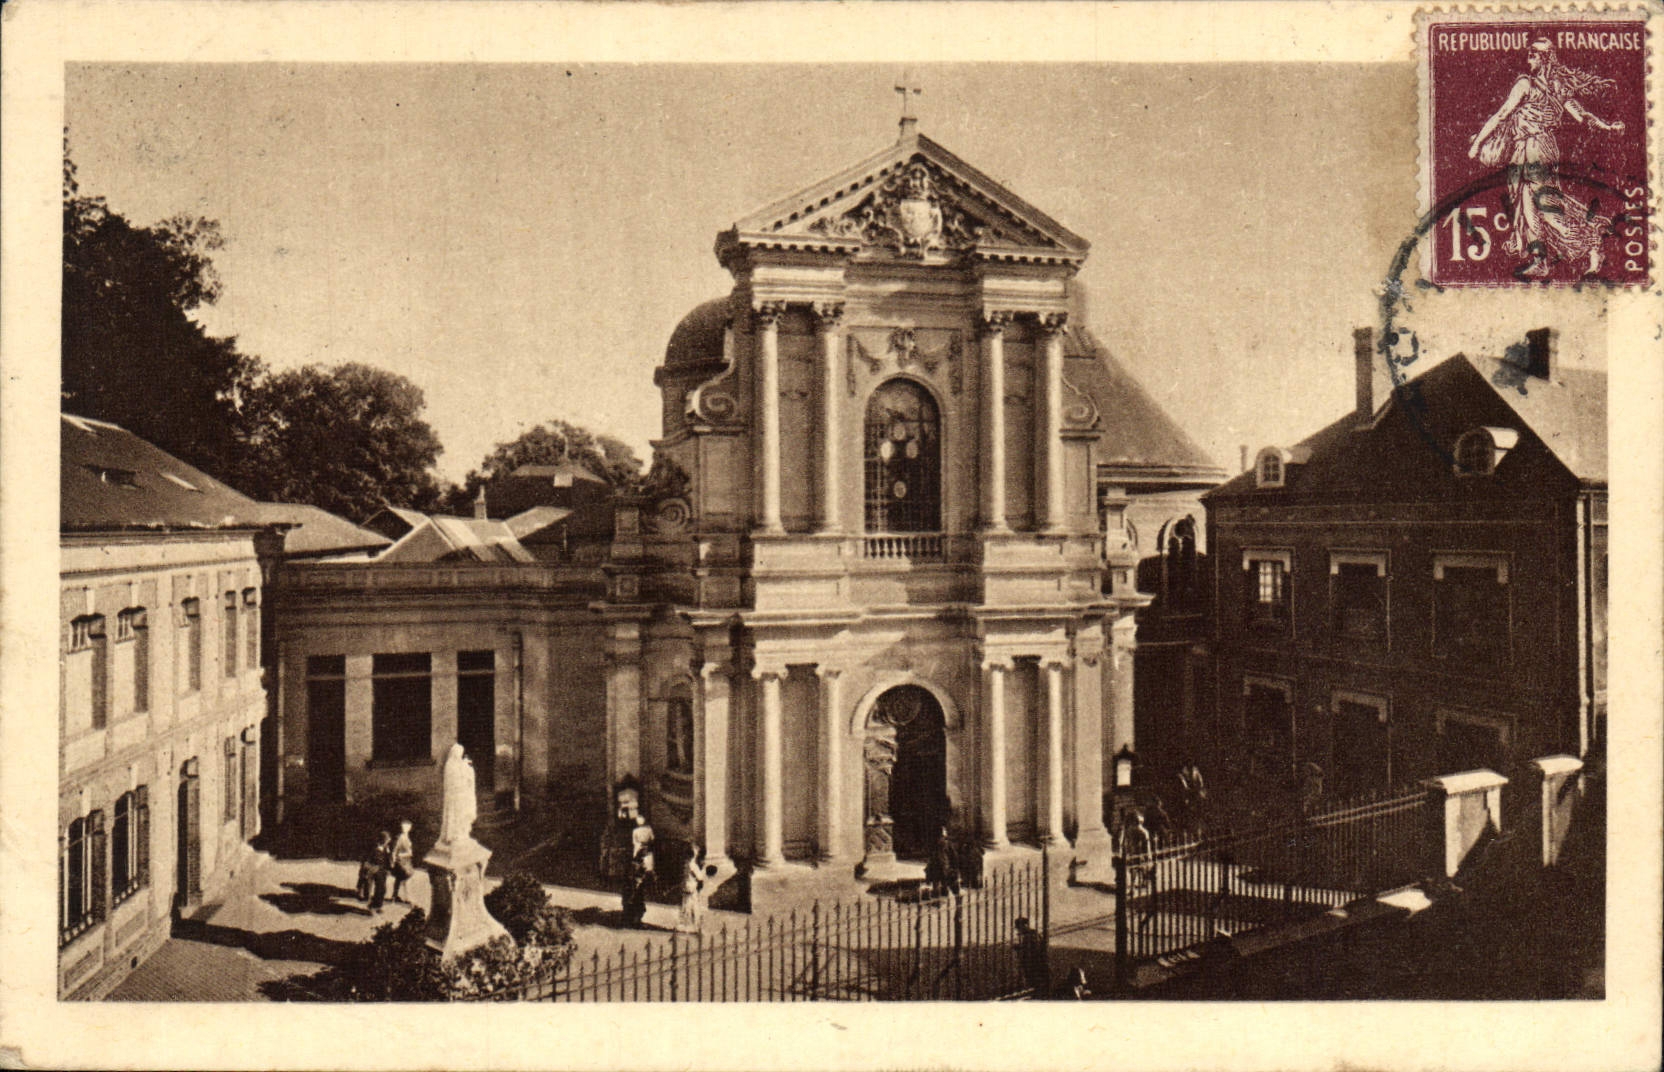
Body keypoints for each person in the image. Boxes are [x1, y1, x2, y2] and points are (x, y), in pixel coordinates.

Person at [1467, 37, 1627, 277]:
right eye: (1529, 54)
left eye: (1533, 54)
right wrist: (1607, 127)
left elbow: (1501, 115)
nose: (1529, 58)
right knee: (1525, 204)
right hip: (1528, 149)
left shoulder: (1526, 84)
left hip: (1536, 148)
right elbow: (1581, 115)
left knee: (1545, 204)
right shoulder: (1555, 88)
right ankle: (1539, 258)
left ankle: (1592, 242)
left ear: (1545, 59)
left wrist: (1478, 143)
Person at [622, 815, 655, 928]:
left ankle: (632, 919)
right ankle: (635, 920)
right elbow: (652, 839)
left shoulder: (635, 831)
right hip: (637, 883)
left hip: (638, 849)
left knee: (633, 901)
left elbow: (634, 842)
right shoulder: (649, 829)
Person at [676, 844, 711, 933]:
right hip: (691, 887)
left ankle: (684, 924)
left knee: (685, 905)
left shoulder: (686, 864)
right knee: (693, 906)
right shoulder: (693, 865)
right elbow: (700, 877)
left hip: (686, 886)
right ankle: (692, 925)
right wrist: (703, 869)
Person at [1013, 917, 1049, 997]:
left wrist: (1020, 948)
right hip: (1036, 963)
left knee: (1034, 982)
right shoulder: (1033, 934)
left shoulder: (1030, 936)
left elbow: (1031, 950)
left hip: (1034, 964)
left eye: (1019, 928)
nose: (1018, 930)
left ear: (1024, 926)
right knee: (1035, 983)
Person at [924, 827, 959, 898]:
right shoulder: (947, 844)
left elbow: (930, 855)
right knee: (943, 883)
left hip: (936, 867)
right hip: (943, 867)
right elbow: (954, 856)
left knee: (937, 883)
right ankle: (942, 897)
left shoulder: (935, 843)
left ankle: (937, 897)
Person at [389, 819, 415, 904]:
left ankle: (395, 895)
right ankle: (407, 898)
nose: (405, 828)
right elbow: (409, 853)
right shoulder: (403, 838)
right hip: (403, 862)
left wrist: (394, 859)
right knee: (406, 878)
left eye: (407, 827)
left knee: (399, 878)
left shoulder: (400, 837)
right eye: (404, 827)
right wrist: (398, 856)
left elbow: (394, 850)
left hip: (400, 862)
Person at [367, 830, 393, 913]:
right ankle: (374, 905)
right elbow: (370, 860)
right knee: (379, 888)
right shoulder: (376, 849)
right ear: (383, 840)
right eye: (387, 840)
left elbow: (388, 861)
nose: (388, 842)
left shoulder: (386, 849)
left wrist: (388, 869)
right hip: (376, 870)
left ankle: (377, 905)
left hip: (383, 871)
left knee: (382, 889)